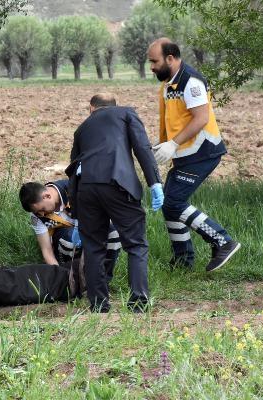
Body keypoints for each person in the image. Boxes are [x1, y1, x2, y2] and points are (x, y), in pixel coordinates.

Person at [147, 38, 241, 272]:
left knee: (174, 202)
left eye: (154, 61)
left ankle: (223, 242)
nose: (151, 67)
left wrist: (173, 144)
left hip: (203, 152)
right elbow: (172, 122)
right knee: (169, 206)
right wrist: (163, 146)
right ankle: (183, 261)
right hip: (184, 154)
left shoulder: (191, 81)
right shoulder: (168, 85)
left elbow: (201, 118)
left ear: (170, 58)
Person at [69, 93, 164, 313]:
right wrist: (154, 183)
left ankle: (98, 305)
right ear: (115, 105)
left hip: (87, 189)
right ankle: (139, 303)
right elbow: (142, 147)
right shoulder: (126, 114)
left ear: (91, 108)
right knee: (136, 244)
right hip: (118, 184)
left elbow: (74, 168)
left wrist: (76, 215)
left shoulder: (82, 128)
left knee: (93, 248)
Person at [18, 180, 121, 281]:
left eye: (42, 209)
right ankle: (71, 278)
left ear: (47, 196)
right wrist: (59, 276)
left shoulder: (75, 189)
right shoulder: (37, 216)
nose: (41, 214)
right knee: (70, 237)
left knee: (114, 232)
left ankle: (104, 278)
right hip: (64, 242)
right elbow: (47, 251)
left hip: (89, 230)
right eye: (37, 212)